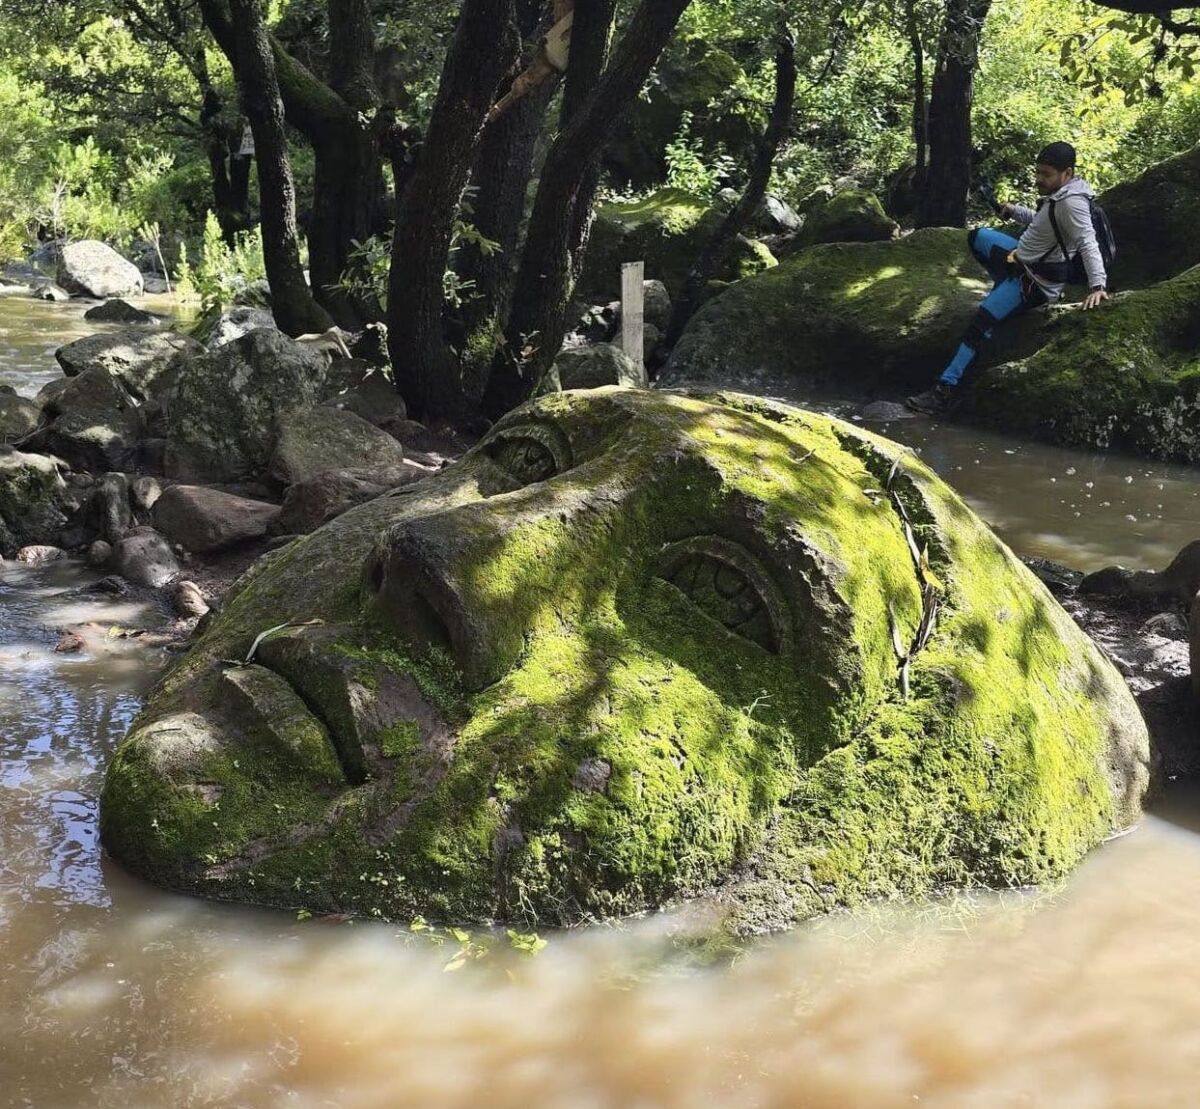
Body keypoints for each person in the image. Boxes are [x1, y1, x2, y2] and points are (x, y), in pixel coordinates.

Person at [905, 142, 1110, 415]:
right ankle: (1003, 289)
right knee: (978, 237)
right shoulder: (1063, 194)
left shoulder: (1071, 203)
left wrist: (1098, 285)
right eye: (1038, 172)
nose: (1039, 179)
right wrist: (1013, 211)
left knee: (981, 322)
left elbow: (1087, 241)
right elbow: (1041, 221)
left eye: (1046, 174)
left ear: (1067, 173)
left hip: (1034, 282)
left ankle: (944, 390)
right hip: (1020, 262)